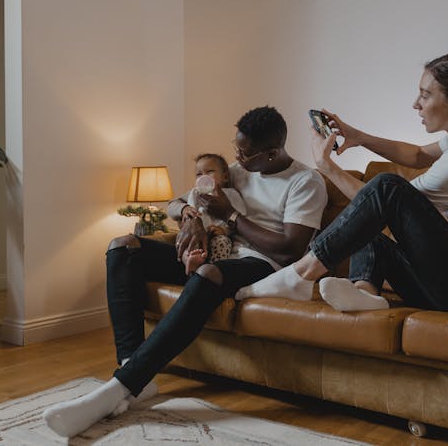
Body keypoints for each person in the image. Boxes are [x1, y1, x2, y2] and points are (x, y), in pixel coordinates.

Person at [43, 106, 327, 438]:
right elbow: (175, 201)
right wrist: (190, 215)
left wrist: (232, 217)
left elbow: (289, 249)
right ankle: (133, 371)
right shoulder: (237, 170)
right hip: (215, 253)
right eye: (236, 149)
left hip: (264, 266)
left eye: (246, 154)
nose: (237, 158)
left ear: (272, 152)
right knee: (123, 246)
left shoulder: (306, 181)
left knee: (207, 273)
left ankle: (118, 389)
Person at [237, 52, 448, 319]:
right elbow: (417, 155)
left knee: (386, 189)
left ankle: (300, 274)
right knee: (368, 233)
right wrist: (360, 137)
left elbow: (383, 203)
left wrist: (327, 167)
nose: (415, 104)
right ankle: (366, 294)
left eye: (425, 95)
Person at [167, 153, 247, 274]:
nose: (203, 177)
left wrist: (225, 230)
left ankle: (212, 269)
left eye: (209, 172)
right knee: (183, 239)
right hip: (196, 235)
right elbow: (172, 206)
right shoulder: (195, 192)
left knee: (222, 243)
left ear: (225, 176)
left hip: (217, 234)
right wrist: (185, 209)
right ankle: (190, 262)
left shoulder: (231, 194)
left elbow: (240, 217)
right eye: (199, 174)